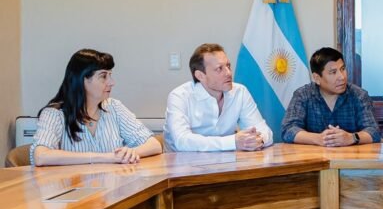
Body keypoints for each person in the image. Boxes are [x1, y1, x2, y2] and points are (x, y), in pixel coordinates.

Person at [31, 49, 162, 166]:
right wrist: (105, 157)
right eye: (103, 76)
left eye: (110, 75)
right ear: (82, 79)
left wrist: (129, 152)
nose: (112, 82)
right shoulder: (54, 114)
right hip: (74, 185)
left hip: (115, 185)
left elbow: (154, 145)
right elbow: (41, 156)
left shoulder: (114, 107)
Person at [164, 43, 273, 152]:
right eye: (219, 69)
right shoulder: (179, 97)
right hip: (181, 160)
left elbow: (264, 131)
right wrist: (233, 142)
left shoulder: (240, 92)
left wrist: (258, 140)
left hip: (227, 160)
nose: (228, 73)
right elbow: (182, 141)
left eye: (228, 66)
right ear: (200, 75)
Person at [281, 47, 382, 147]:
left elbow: (373, 131)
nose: (342, 77)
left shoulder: (359, 95)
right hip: (314, 156)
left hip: (352, 156)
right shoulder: (303, 95)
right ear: (317, 78)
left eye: (343, 69)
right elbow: (288, 130)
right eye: (333, 72)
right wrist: (318, 139)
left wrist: (351, 138)